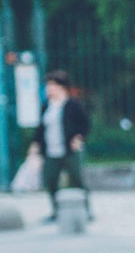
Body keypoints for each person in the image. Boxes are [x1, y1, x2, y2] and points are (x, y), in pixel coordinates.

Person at [28, 69, 91, 223]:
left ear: (62, 87)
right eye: (48, 85)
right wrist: (35, 145)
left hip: (69, 150)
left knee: (76, 180)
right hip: (51, 151)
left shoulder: (72, 105)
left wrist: (79, 137)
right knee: (50, 180)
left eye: (52, 85)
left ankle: (86, 210)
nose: (49, 89)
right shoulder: (46, 106)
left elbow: (85, 124)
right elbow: (41, 128)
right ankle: (57, 211)